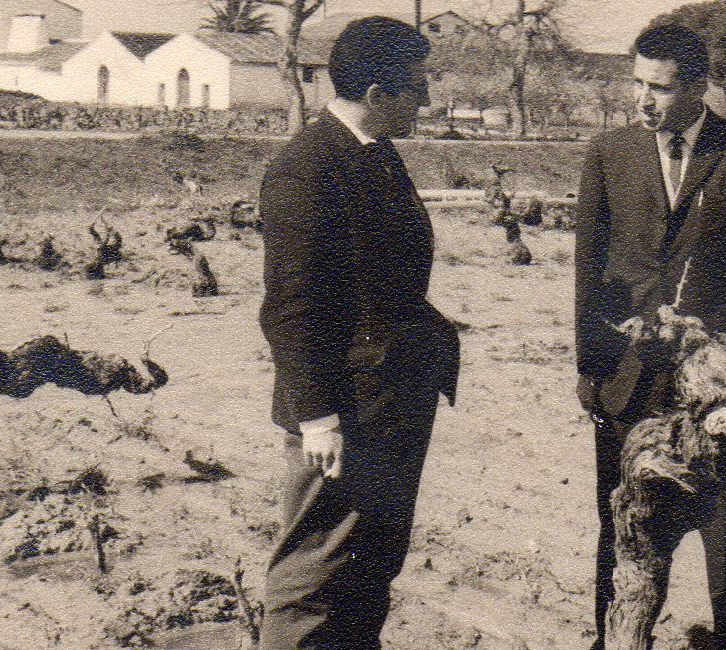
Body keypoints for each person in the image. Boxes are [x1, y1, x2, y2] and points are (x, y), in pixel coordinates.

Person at [574, 23, 726, 650]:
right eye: (637, 83)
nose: (642, 100)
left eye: (660, 88)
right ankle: (613, 640)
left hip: (717, 382)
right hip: (627, 378)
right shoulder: (608, 152)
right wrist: (591, 370)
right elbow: (589, 272)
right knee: (621, 526)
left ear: (699, 86)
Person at [256, 16, 459, 650]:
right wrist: (318, 418)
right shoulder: (308, 168)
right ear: (377, 95)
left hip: (390, 402)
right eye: (417, 86)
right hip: (344, 413)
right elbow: (291, 307)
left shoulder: (370, 152)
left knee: (369, 570)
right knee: (313, 577)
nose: (426, 99)